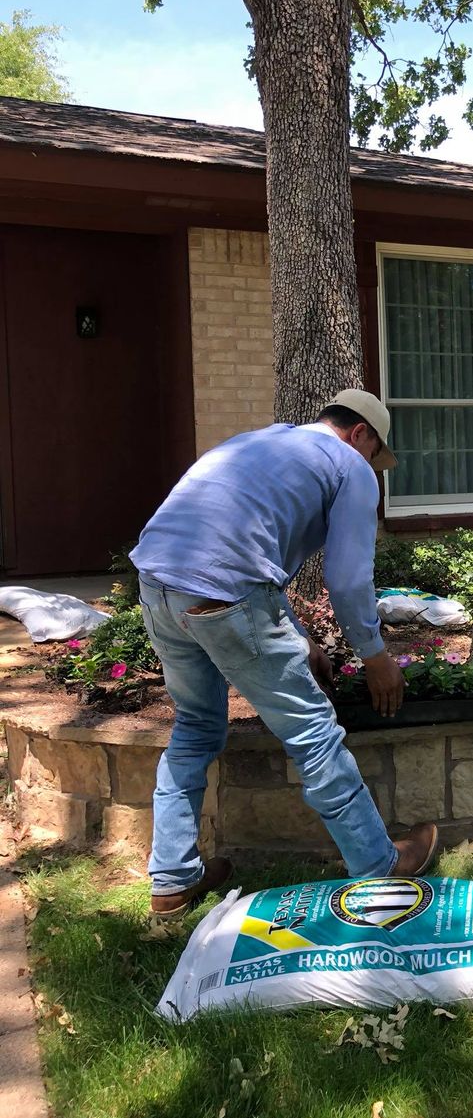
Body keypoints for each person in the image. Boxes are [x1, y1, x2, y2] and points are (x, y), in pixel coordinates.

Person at [131, 389, 438, 918]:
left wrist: (300, 640)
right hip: (226, 592)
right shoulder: (350, 465)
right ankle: (377, 866)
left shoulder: (264, 440)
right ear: (360, 434)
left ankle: (173, 880)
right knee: (313, 732)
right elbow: (346, 578)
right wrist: (375, 656)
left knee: (196, 728)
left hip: (157, 584)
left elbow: (247, 556)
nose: (372, 468)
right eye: (373, 455)